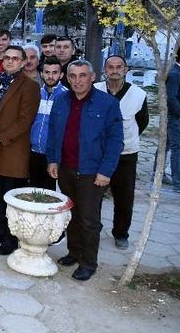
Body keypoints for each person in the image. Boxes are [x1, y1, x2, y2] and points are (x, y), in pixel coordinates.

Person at [47, 60, 123, 281]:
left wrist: (106, 171)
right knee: (71, 214)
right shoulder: (61, 100)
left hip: (92, 171)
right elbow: (53, 133)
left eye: (82, 76)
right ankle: (73, 252)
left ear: (93, 77)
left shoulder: (107, 103)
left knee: (89, 219)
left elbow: (115, 140)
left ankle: (88, 262)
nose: (77, 81)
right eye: (73, 76)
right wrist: (53, 160)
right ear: (67, 78)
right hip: (66, 168)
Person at [0, 45, 41, 256]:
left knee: (11, 200)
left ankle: (11, 240)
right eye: (7, 58)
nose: (10, 61)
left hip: (13, 151)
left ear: (24, 62)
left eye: (15, 58)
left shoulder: (30, 86)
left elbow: (25, 121)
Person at [94, 55, 148, 249]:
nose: (114, 70)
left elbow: (142, 122)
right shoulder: (96, 90)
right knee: (94, 194)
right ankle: (93, 228)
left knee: (124, 196)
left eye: (119, 67)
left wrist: (122, 141)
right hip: (98, 152)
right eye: (110, 67)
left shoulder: (138, 94)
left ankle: (121, 233)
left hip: (126, 153)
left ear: (126, 70)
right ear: (104, 69)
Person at [29, 58, 67, 191]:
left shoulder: (66, 96)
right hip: (34, 152)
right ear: (41, 74)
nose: (50, 76)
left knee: (51, 194)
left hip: (53, 155)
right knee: (34, 191)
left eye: (55, 72)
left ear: (61, 75)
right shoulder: (36, 94)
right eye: (47, 72)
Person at [163, 45, 180, 188]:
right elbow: (170, 97)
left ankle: (158, 174)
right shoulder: (176, 74)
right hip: (176, 117)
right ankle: (178, 180)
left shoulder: (179, 72)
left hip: (176, 116)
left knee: (166, 145)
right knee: (177, 148)